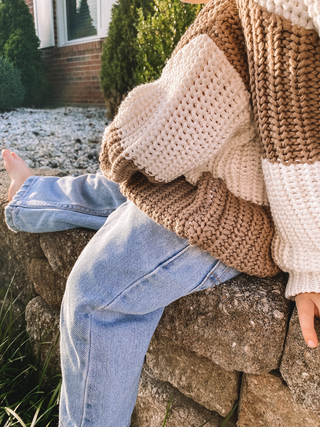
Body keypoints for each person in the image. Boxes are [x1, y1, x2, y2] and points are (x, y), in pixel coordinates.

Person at [3, 0, 320, 425]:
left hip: (225, 209)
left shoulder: (249, 12)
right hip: (220, 176)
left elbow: (290, 144)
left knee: (94, 297)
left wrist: (308, 260)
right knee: (115, 190)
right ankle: (26, 194)